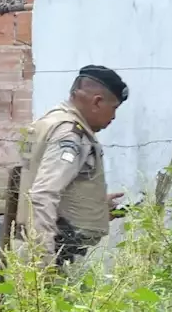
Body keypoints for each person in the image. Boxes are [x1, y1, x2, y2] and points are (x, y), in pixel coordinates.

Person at [15, 66, 129, 270]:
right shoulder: (70, 135)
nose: (113, 117)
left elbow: (47, 182)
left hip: (41, 245)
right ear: (97, 102)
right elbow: (42, 194)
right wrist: (44, 259)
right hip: (54, 253)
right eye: (114, 108)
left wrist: (93, 206)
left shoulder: (51, 121)